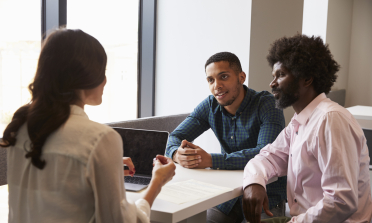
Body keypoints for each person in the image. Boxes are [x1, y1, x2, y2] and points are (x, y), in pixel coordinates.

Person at [0, 29, 176, 223]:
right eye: (102, 72)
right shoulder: (100, 138)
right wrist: (157, 182)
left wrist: (103, 168)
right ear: (85, 75)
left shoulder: (20, 127)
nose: (105, 80)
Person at [242, 34, 372, 223]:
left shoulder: (330, 119)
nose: (272, 84)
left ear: (307, 79)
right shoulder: (300, 121)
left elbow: (340, 200)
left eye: (281, 75)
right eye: (273, 76)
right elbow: (268, 157)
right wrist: (254, 181)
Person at [165, 52, 287, 222]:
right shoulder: (210, 105)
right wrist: (175, 154)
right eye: (211, 80)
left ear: (241, 77)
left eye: (224, 77)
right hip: (226, 197)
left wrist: (211, 161)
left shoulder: (267, 104)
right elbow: (176, 136)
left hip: (265, 194)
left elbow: (265, 153)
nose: (217, 85)